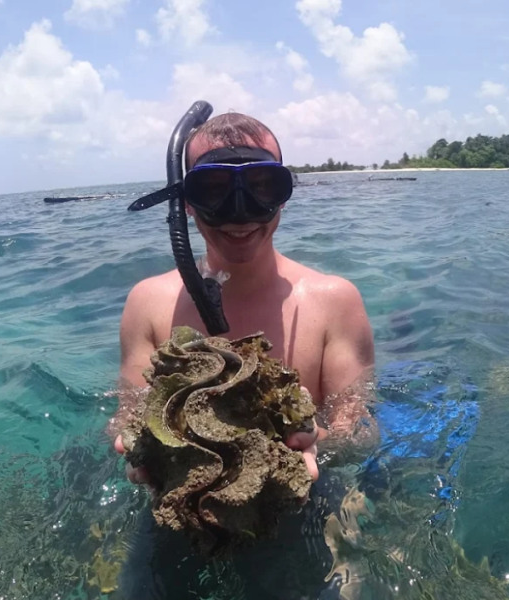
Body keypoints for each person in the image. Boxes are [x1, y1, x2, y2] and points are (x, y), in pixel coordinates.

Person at [107, 107, 378, 599]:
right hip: (181, 505)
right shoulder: (147, 304)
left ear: (282, 196)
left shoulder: (334, 302)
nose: (240, 214)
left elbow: (359, 430)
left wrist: (316, 441)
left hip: (302, 502)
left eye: (261, 188)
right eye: (213, 192)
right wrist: (134, 445)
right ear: (187, 203)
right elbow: (127, 413)